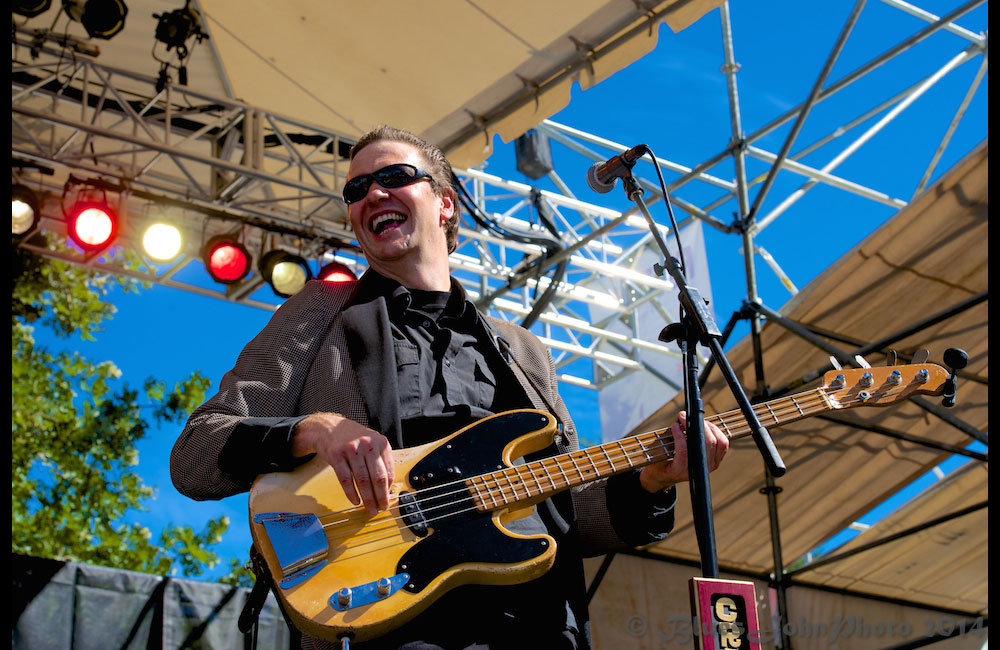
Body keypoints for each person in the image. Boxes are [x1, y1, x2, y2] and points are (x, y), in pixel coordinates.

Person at [171, 126, 728, 650]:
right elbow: (196, 454)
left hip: (537, 625)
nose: (371, 194)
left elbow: (565, 511)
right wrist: (314, 430)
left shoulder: (524, 352)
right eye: (357, 188)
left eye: (393, 178)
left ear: (446, 202)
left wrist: (651, 480)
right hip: (389, 624)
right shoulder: (323, 312)